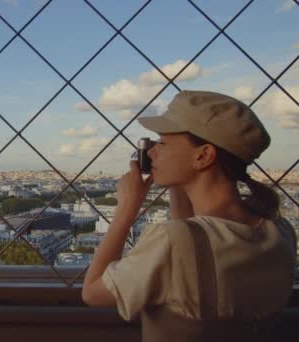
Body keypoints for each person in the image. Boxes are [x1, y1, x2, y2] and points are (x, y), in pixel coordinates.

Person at [81, 90, 297, 341]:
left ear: (203, 155)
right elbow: (195, 236)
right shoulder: (280, 231)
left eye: (163, 143)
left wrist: (126, 209)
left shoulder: (173, 241)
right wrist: (178, 180)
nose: (152, 152)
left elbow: (92, 292)